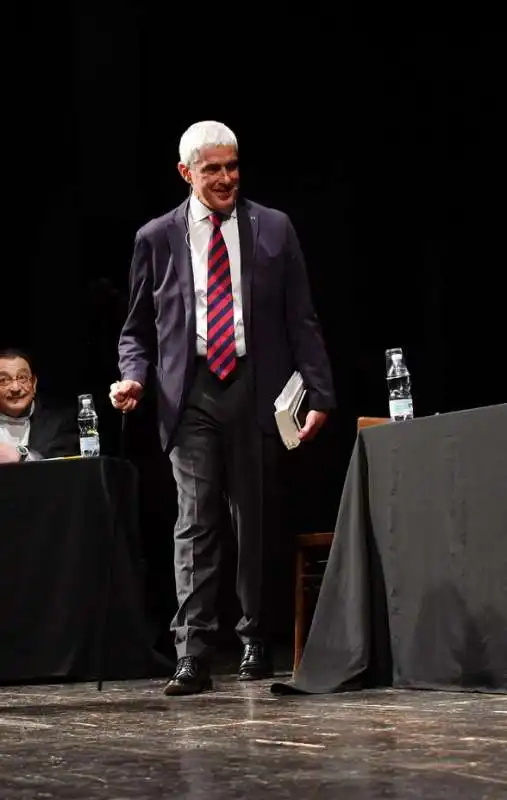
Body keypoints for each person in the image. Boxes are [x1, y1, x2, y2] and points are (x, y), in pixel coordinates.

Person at [110, 120, 336, 696]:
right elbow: (136, 329)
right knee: (195, 520)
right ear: (186, 173)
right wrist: (134, 378)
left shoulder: (274, 229)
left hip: (257, 388)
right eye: (212, 169)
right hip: (190, 394)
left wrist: (321, 392)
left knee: (254, 519)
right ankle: (192, 651)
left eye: (232, 166)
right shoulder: (157, 237)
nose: (226, 178)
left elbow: (301, 319)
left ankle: (256, 637)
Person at [0, 348, 79, 463]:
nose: (15, 388)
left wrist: (22, 456)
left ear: (34, 383)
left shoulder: (60, 422)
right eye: (3, 380)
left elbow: (66, 469)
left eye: (22, 378)